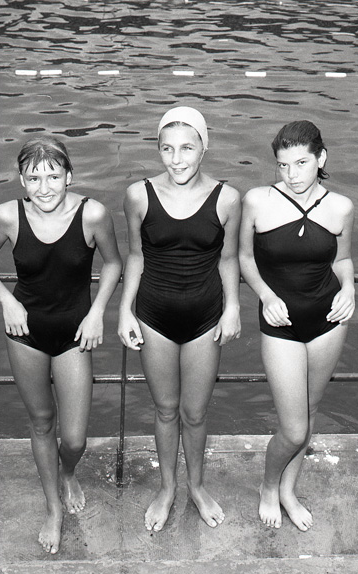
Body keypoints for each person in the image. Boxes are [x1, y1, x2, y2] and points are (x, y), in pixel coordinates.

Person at [0, 135, 122, 554]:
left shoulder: (93, 214)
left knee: (74, 439)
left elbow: (114, 263)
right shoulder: (7, 216)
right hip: (26, 333)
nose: (44, 187)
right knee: (41, 422)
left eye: (53, 176)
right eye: (34, 178)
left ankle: (67, 472)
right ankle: (53, 507)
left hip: (75, 334)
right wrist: (7, 301)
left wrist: (97, 312)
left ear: (69, 176)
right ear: (22, 180)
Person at [118, 106, 241, 532]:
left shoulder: (227, 198)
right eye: (167, 149)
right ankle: (168, 487)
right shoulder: (138, 195)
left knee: (195, 413)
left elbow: (228, 259)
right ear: (158, 150)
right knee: (166, 409)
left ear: (204, 148)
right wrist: (124, 310)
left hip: (206, 318)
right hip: (154, 316)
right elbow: (135, 256)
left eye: (187, 148)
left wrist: (233, 307)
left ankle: (197, 486)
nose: (177, 159)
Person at [239, 120, 355, 531]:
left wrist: (350, 289)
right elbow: (245, 258)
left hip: (328, 320)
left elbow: (342, 260)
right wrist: (266, 296)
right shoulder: (257, 201)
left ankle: (289, 490)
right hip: (281, 322)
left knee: (310, 411)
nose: (292, 174)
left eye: (301, 163)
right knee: (293, 428)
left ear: (321, 159)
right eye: (283, 165)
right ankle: (269, 486)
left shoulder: (341, 207)